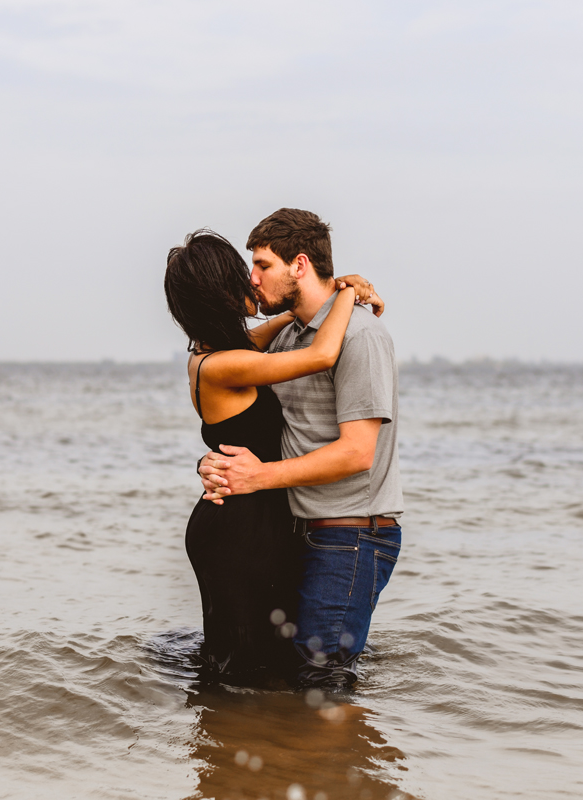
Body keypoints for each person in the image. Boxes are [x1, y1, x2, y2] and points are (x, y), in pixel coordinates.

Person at [198, 208, 403, 690]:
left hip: (349, 538)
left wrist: (257, 477)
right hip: (295, 533)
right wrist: (216, 463)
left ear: (300, 264)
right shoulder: (287, 337)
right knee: (288, 680)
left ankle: (344, 763)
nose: (252, 279)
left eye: (262, 265)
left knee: (323, 681)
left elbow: (357, 453)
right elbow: (226, 383)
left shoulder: (361, 336)